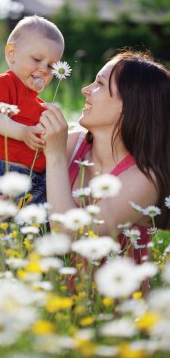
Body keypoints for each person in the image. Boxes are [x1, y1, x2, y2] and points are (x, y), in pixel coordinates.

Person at [39, 49, 170, 263]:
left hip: (109, 296)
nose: (85, 90)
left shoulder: (145, 180)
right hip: (46, 292)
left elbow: (70, 236)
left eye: (99, 84)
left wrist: (54, 156)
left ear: (129, 104)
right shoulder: (72, 144)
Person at [0, 15, 64, 206]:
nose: (44, 69)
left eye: (51, 66)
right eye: (36, 59)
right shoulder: (3, 83)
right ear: (11, 53)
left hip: (33, 177)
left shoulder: (40, 104)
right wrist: (23, 132)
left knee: (27, 227)